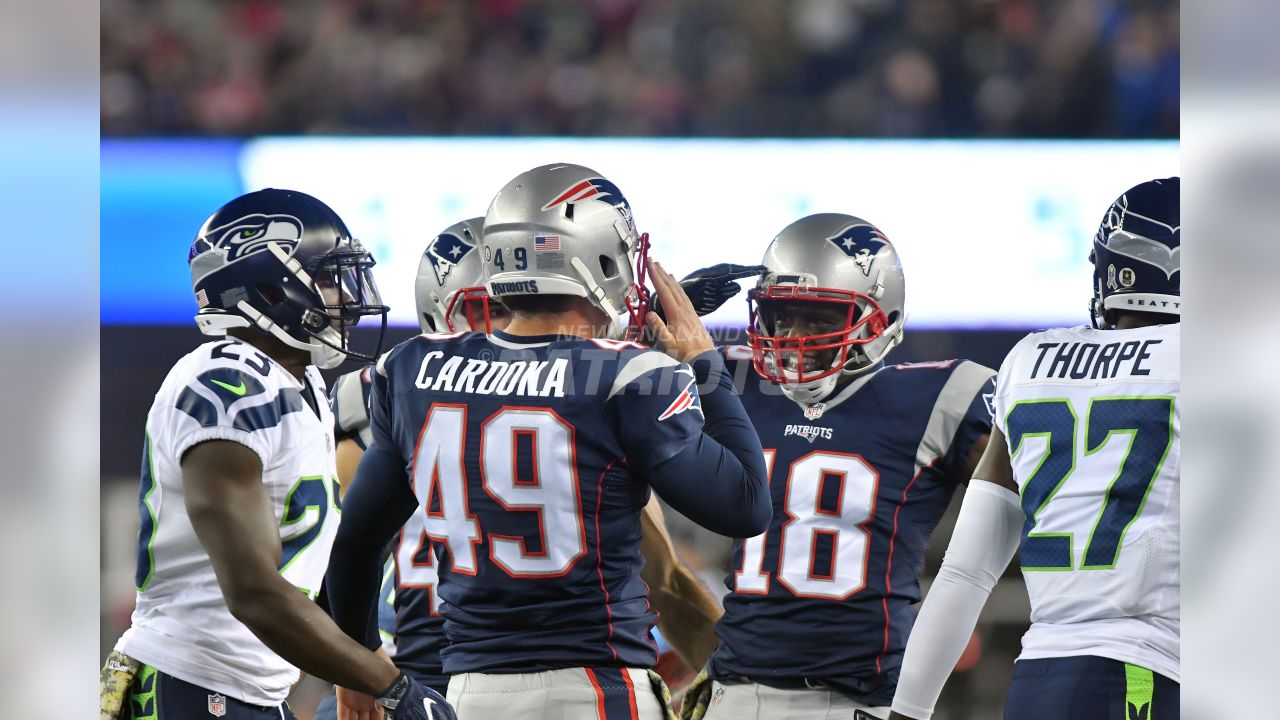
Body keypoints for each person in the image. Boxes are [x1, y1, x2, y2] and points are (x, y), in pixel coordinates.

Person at [325, 163, 772, 720]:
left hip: (467, 693)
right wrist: (706, 364)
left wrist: (358, 665)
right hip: (594, 687)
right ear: (598, 256)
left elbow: (356, 546)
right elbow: (747, 504)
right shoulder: (631, 375)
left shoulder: (412, 371)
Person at [101, 188, 453, 720]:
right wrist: (393, 686)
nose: (347, 295)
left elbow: (304, 569)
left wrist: (366, 663)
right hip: (192, 684)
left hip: (248, 690)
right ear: (267, 284)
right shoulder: (224, 382)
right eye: (331, 277)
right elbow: (254, 592)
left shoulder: (300, 381)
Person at [680, 213, 996, 720]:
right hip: (733, 693)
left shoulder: (941, 397)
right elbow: (593, 393)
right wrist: (648, 319)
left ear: (880, 320)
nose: (793, 336)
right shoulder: (734, 380)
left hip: (853, 700)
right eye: (782, 317)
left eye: (819, 319)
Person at [889, 178, 1181, 720]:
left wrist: (905, 711)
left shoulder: (1031, 360)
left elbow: (966, 571)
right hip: (1147, 673)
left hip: (1038, 676)